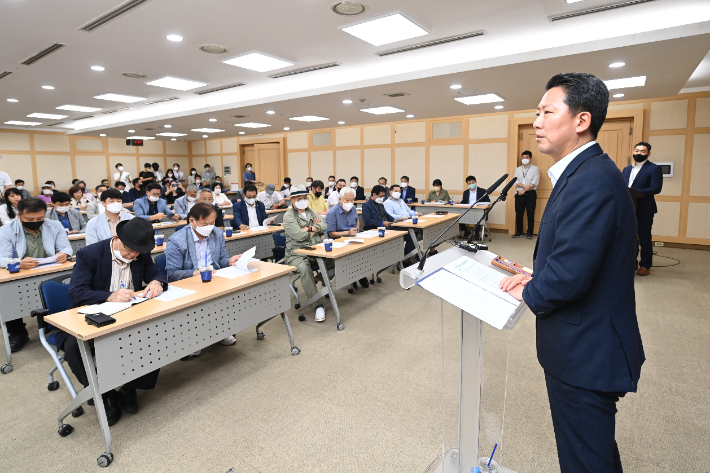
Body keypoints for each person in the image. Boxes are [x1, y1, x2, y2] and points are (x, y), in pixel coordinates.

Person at [499, 72, 644, 473]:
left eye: (547, 112)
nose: (537, 122)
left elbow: (568, 276)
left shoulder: (590, 180)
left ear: (581, 121)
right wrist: (535, 276)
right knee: (592, 452)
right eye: (536, 113)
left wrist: (530, 291)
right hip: (585, 344)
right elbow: (574, 255)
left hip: (586, 351)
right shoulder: (584, 172)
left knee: (585, 461)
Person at [64, 217, 167, 426]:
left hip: (130, 313)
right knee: (74, 348)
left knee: (156, 332)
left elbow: (155, 272)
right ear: (117, 238)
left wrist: (156, 281)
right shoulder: (89, 255)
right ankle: (105, 394)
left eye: (137, 252)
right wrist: (109, 296)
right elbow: (76, 292)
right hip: (92, 313)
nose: (132, 255)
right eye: (129, 250)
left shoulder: (140, 253)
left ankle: (130, 387)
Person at [164, 203, 240, 353]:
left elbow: (222, 259)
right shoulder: (177, 241)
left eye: (212, 223)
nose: (210, 227)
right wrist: (194, 273)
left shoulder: (216, 234)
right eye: (205, 224)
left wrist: (229, 261)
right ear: (192, 221)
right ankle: (193, 340)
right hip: (190, 281)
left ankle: (221, 332)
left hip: (215, 277)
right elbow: (172, 274)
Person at [0, 198, 72, 352]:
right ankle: (17, 332)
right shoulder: (6, 230)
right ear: (19, 215)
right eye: (29, 219)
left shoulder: (55, 225)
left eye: (40, 218)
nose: (35, 222)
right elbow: (2, 258)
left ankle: (53, 323)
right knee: (10, 298)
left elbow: (65, 246)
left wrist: (64, 254)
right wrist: (17, 263)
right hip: (20, 273)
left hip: (49, 269)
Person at [282, 185, 329, 322]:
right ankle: (317, 305)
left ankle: (317, 279)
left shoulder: (310, 211)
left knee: (335, 262)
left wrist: (308, 228)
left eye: (304, 198)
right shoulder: (288, 216)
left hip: (315, 250)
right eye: (299, 199)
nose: (303, 201)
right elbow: (298, 236)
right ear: (292, 200)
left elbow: (325, 225)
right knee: (305, 269)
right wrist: (315, 228)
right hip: (296, 254)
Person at [622, 142, 663, 276]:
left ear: (648, 154)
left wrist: (635, 191)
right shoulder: (626, 169)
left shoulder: (654, 169)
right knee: (630, 237)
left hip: (645, 209)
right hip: (629, 208)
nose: (639, 153)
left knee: (644, 237)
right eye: (636, 151)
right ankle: (631, 261)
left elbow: (656, 188)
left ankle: (645, 265)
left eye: (643, 151)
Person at [325, 187, 370, 290]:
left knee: (365, 250)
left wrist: (357, 230)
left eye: (352, 200)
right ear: (340, 199)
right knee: (353, 254)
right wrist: (347, 233)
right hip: (339, 241)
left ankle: (360, 274)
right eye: (347, 200)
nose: (350, 202)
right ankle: (354, 278)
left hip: (353, 238)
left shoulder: (353, 208)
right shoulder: (332, 212)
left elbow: (356, 221)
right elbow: (331, 234)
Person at [513, 150, 540, 239]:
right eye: (523, 158)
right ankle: (519, 231)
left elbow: (534, 182)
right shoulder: (518, 169)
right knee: (519, 213)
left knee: (530, 213)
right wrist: (524, 187)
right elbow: (516, 181)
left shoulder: (535, 169)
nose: (525, 159)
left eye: (527, 157)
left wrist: (524, 190)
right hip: (519, 193)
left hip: (530, 194)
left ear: (530, 159)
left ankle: (530, 232)